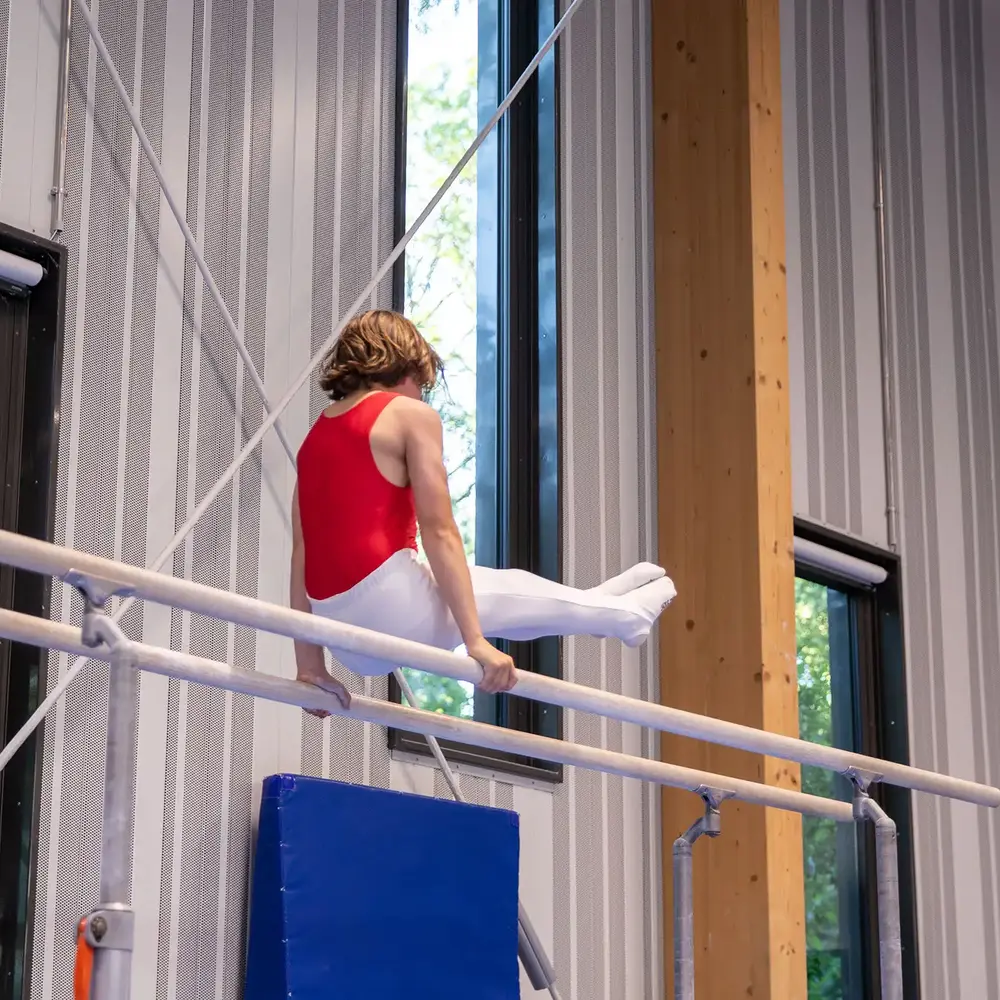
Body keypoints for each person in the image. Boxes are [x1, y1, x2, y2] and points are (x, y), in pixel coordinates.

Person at [290, 309, 676, 713]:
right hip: (390, 609)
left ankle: (597, 608)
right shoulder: (409, 415)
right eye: (422, 385)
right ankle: (621, 616)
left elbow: (302, 555)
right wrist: (474, 641)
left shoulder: (313, 440)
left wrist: (310, 666)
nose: (422, 396)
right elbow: (439, 531)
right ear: (405, 368)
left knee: (496, 595)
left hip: (339, 635)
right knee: (489, 590)